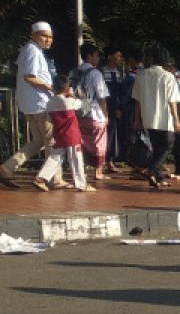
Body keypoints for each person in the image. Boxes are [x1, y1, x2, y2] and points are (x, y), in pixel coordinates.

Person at [1, 22, 62, 189]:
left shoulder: (31, 50)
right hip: (39, 104)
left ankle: (7, 167)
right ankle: (51, 178)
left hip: (31, 104)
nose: (48, 40)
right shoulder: (33, 51)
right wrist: (51, 87)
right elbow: (30, 77)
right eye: (44, 36)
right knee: (51, 141)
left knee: (39, 141)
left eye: (50, 37)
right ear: (33, 35)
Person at [131, 47, 180, 188]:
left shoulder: (141, 75)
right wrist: (177, 121)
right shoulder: (167, 76)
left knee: (156, 147)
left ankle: (158, 178)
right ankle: (151, 170)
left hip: (148, 117)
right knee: (167, 146)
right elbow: (172, 101)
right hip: (164, 118)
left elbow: (138, 100)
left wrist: (137, 119)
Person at [33, 75, 93, 192]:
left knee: (54, 158)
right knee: (76, 160)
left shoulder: (49, 104)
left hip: (59, 134)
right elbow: (86, 105)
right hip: (72, 135)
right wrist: (72, 94)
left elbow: (50, 119)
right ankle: (81, 184)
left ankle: (40, 178)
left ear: (53, 88)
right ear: (67, 88)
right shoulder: (69, 102)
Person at [76, 43, 111, 181]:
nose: (97, 58)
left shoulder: (75, 71)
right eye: (96, 55)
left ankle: (81, 169)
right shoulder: (95, 73)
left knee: (82, 141)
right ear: (89, 56)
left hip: (78, 112)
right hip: (94, 112)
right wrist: (106, 115)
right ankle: (98, 171)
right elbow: (101, 96)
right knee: (99, 141)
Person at [100, 46, 126, 170]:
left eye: (120, 56)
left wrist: (119, 107)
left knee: (112, 134)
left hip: (116, 108)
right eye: (117, 56)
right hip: (104, 107)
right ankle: (101, 161)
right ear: (109, 57)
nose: (119, 59)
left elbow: (121, 92)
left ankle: (110, 160)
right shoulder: (101, 72)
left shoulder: (119, 73)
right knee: (103, 135)